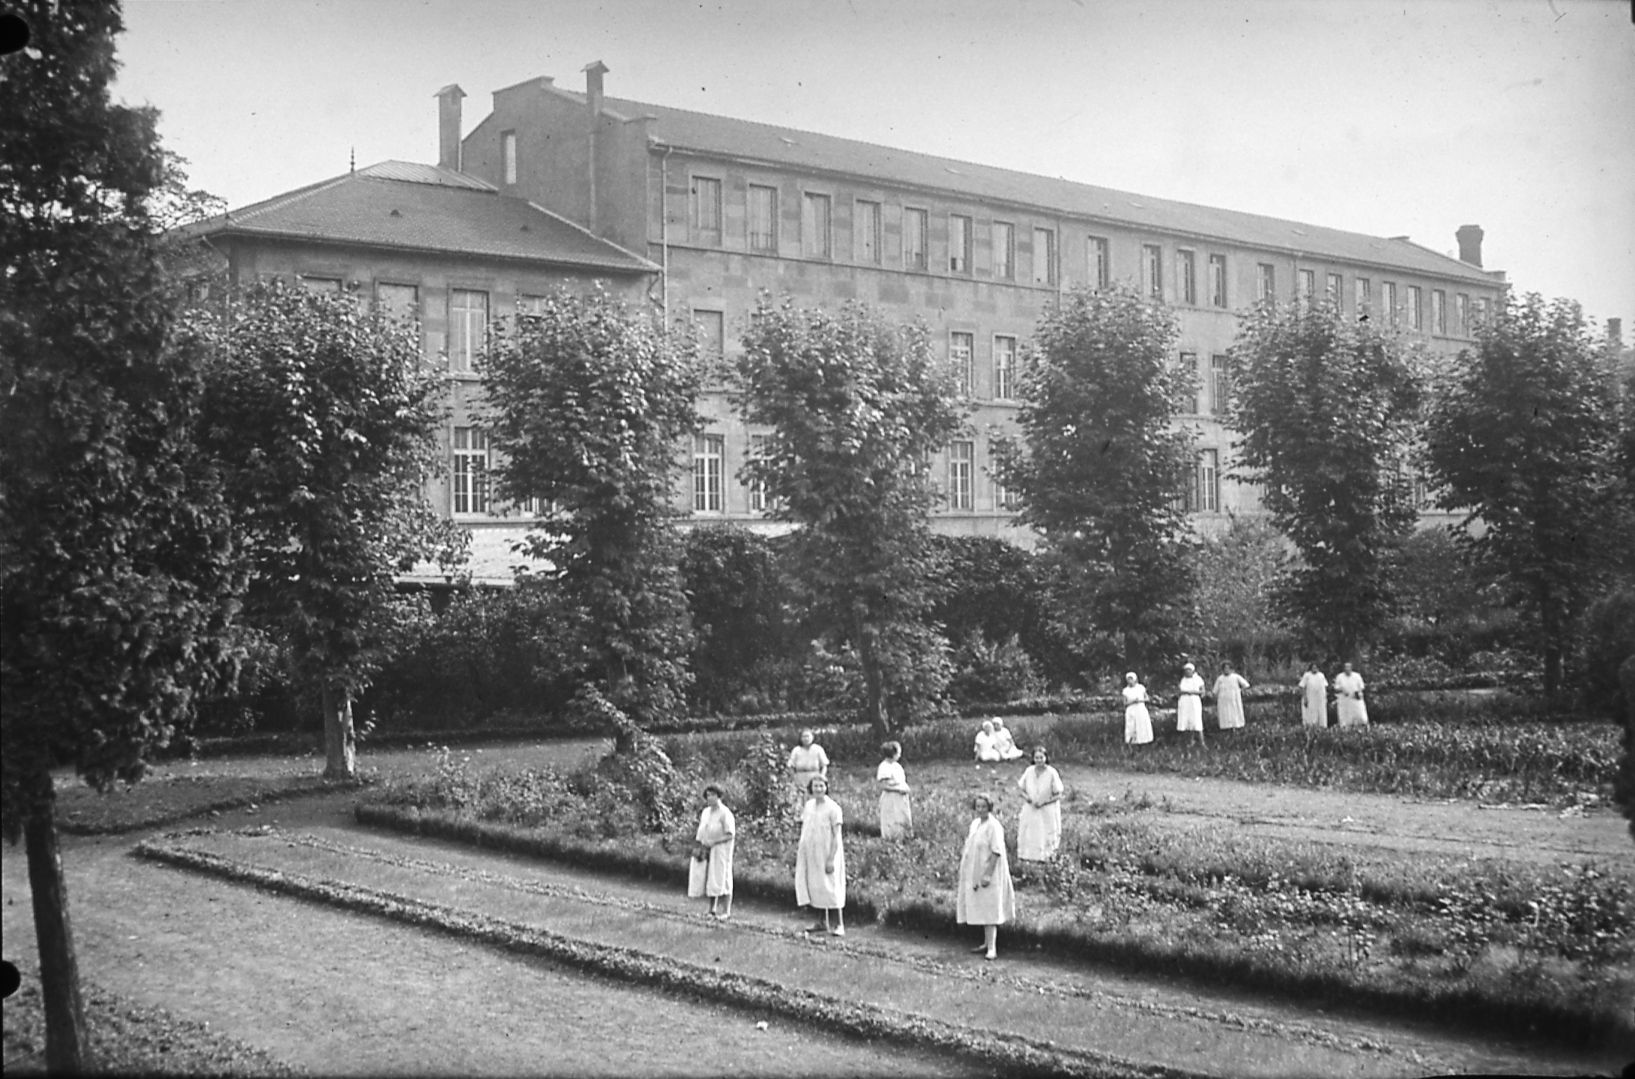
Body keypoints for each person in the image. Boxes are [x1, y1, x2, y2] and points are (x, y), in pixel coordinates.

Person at [956, 794, 1016, 961]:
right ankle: (985, 942)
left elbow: (997, 852)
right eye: (978, 806)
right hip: (975, 870)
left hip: (990, 871)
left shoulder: (994, 826)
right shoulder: (975, 824)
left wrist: (988, 874)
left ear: (989, 807)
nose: (980, 809)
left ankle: (992, 948)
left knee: (990, 908)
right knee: (981, 906)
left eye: (984, 806)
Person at [795, 775, 846, 936]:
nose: (818, 789)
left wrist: (831, 858)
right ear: (811, 788)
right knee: (816, 886)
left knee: (831, 887)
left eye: (821, 786)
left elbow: (837, 836)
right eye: (815, 786)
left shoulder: (833, 808)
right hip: (812, 854)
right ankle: (821, 922)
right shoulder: (809, 806)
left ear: (826, 788)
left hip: (828, 853)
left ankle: (839, 924)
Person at [687, 785, 735, 919]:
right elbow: (702, 830)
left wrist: (715, 841)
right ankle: (711, 909)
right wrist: (699, 845)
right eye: (708, 795)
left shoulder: (725, 813)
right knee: (711, 878)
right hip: (707, 849)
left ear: (719, 796)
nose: (710, 798)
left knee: (723, 877)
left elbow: (730, 834)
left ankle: (726, 911)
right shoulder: (706, 812)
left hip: (721, 850)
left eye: (713, 795)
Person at [1015, 746, 1063, 861]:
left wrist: (1044, 802)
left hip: (1047, 809)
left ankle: (1046, 857)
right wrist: (1029, 799)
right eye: (1036, 758)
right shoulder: (1029, 771)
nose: (1039, 760)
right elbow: (1021, 789)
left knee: (1046, 832)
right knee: (1029, 832)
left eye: (1041, 758)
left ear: (1046, 758)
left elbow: (1058, 794)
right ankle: (1028, 857)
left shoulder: (1052, 772)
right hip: (1031, 807)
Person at [876, 741, 913, 840]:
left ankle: (903, 837)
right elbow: (883, 785)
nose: (900, 755)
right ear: (893, 753)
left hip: (900, 798)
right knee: (891, 818)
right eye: (898, 753)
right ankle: (890, 838)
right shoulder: (884, 767)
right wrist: (898, 789)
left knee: (902, 817)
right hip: (891, 798)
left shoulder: (896, 765)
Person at [787, 728, 829, 793]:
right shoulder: (796, 750)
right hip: (799, 779)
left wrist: (821, 777)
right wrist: (794, 779)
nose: (806, 739)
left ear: (812, 737)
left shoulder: (818, 749)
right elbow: (790, 766)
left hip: (815, 779)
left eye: (808, 736)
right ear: (800, 738)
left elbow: (824, 766)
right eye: (804, 736)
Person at [1213, 662, 1250, 732]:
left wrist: (1241, 691)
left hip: (1234, 699)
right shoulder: (1220, 679)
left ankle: (1236, 729)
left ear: (1231, 669)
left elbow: (1246, 685)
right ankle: (1226, 730)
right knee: (1225, 714)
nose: (1226, 670)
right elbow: (1215, 690)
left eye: (1228, 668)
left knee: (1235, 713)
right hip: (1223, 700)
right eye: (1225, 668)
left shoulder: (1236, 677)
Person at [1176, 662, 1206, 747]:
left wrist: (1192, 692)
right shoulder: (1183, 680)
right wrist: (1183, 692)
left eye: (1189, 670)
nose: (1187, 672)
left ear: (1193, 671)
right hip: (1184, 701)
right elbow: (1179, 691)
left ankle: (1202, 742)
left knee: (1196, 721)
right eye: (1186, 670)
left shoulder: (1198, 679)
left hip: (1194, 701)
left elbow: (1203, 692)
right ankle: (1189, 741)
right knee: (1186, 721)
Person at [1122, 672, 1154, 746]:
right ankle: (1132, 742)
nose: (1130, 681)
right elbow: (1124, 703)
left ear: (1135, 679)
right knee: (1131, 726)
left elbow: (1147, 699)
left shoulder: (1140, 688)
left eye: (1131, 679)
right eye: (1128, 679)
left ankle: (1143, 742)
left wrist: (1140, 700)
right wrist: (1132, 701)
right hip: (1131, 710)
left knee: (1142, 725)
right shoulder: (1125, 690)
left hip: (1140, 708)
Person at [1334, 662, 1369, 728]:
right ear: (1344, 668)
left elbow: (1361, 687)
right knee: (1345, 717)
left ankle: (1361, 726)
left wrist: (1357, 693)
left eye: (1349, 667)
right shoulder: (1339, 676)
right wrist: (1342, 690)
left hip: (1355, 699)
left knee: (1360, 715)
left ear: (1351, 668)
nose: (1347, 669)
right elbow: (1336, 688)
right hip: (1344, 700)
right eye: (1346, 667)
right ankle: (1345, 728)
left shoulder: (1357, 676)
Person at [1298, 662, 1329, 728]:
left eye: (1316, 667)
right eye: (1313, 667)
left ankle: (1322, 728)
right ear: (1311, 668)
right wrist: (1305, 697)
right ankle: (1311, 728)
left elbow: (1325, 686)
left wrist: (1325, 696)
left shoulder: (1321, 675)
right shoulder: (1307, 675)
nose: (1315, 669)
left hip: (1320, 699)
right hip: (1310, 699)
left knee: (1321, 715)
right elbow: (1302, 686)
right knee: (1310, 715)